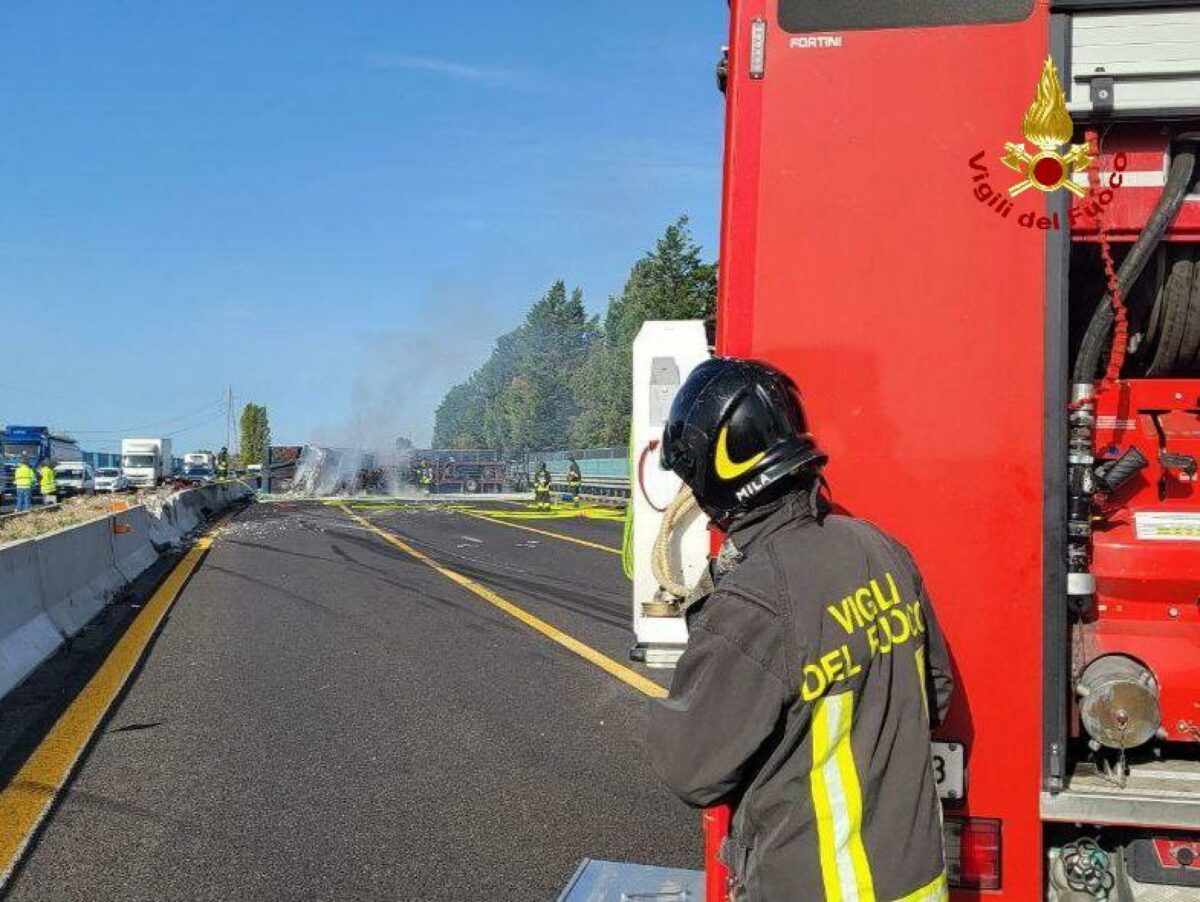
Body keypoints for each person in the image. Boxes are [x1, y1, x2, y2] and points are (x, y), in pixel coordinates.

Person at [647, 358, 954, 902]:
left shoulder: (753, 601)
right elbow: (939, 693)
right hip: (917, 883)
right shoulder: (879, 549)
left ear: (716, 476)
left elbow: (692, 771)